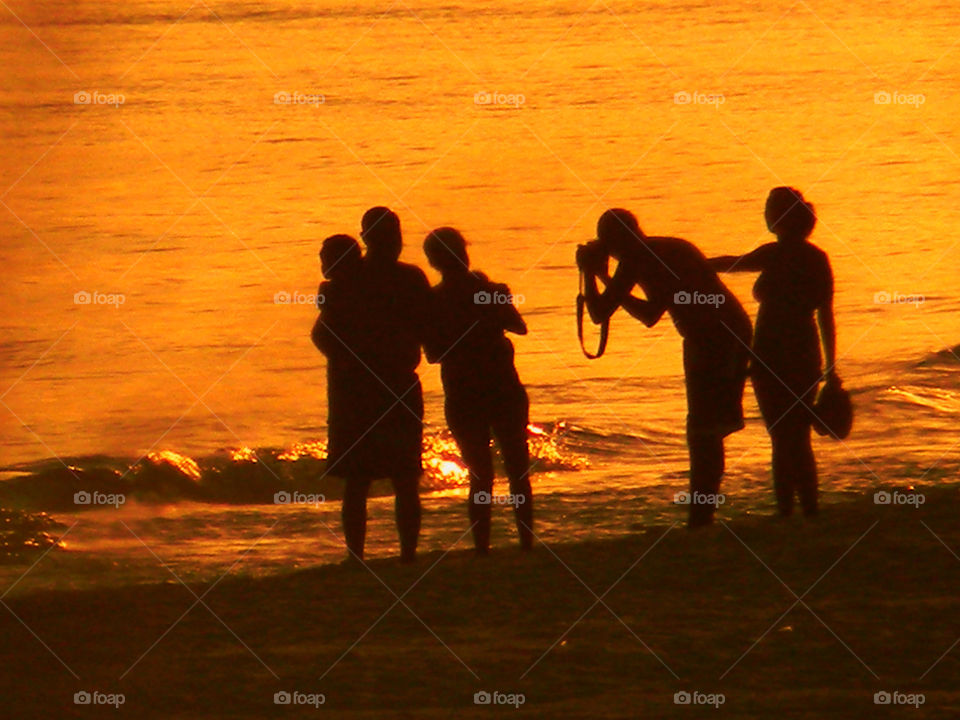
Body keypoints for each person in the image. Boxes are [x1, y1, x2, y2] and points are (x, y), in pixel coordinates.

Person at [579, 209, 752, 527]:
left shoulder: (635, 259)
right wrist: (604, 275)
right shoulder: (668, 246)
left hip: (712, 339)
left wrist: (593, 274)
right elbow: (647, 311)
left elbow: (605, 313)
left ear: (616, 242)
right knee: (708, 430)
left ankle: (701, 515)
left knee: (703, 431)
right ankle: (703, 513)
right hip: (730, 330)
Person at [710, 187, 836, 517]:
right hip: (804, 353)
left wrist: (693, 264)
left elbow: (732, 264)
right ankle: (808, 508)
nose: (765, 215)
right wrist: (830, 366)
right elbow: (825, 313)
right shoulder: (815, 257)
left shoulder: (776, 253)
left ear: (779, 218)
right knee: (796, 436)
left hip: (772, 355)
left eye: (769, 210)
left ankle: (788, 511)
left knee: (781, 436)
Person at [422, 227, 533, 554]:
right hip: (502, 386)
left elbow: (433, 354)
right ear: (463, 253)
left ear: (433, 262)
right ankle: (526, 543)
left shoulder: (433, 300)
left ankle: (482, 547)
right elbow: (519, 326)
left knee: (479, 475)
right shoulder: (491, 291)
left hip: (463, 391)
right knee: (517, 470)